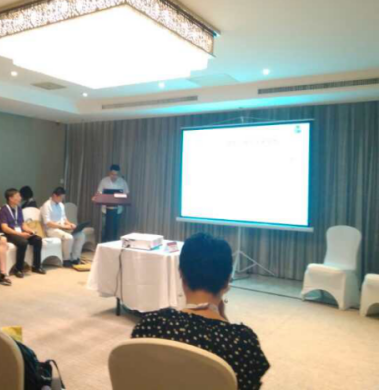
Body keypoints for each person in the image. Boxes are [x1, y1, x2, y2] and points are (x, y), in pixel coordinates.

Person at [132, 233, 270, 390]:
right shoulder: (242, 342)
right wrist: (223, 319)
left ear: (181, 274)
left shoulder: (151, 325)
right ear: (227, 282)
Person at [0, 189, 45, 278]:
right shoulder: (3, 210)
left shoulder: (18, 208)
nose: (20, 198)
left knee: (37, 239)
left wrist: (30, 230)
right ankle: (18, 269)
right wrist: (20, 234)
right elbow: (5, 228)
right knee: (23, 242)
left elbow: (22, 224)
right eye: (18, 196)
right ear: (10, 198)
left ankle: (36, 266)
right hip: (9, 234)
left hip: (19, 232)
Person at [41, 187, 86, 268]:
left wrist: (70, 224)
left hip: (62, 228)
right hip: (52, 230)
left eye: (63, 198)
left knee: (81, 235)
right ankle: (66, 259)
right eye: (61, 197)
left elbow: (64, 218)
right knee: (69, 237)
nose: (62, 199)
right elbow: (47, 222)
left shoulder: (61, 205)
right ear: (55, 195)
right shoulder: (46, 205)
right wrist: (62, 226)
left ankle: (75, 258)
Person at [96, 164, 130, 242]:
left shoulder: (122, 182)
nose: (114, 176)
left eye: (116, 175)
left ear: (118, 174)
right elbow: (99, 193)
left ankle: (114, 245)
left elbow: (127, 194)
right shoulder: (104, 181)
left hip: (117, 210)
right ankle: (103, 245)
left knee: (116, 228)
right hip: (105, 210)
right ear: (109, 173)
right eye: (112, 174)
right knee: (104, 228)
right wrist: (97, 196)